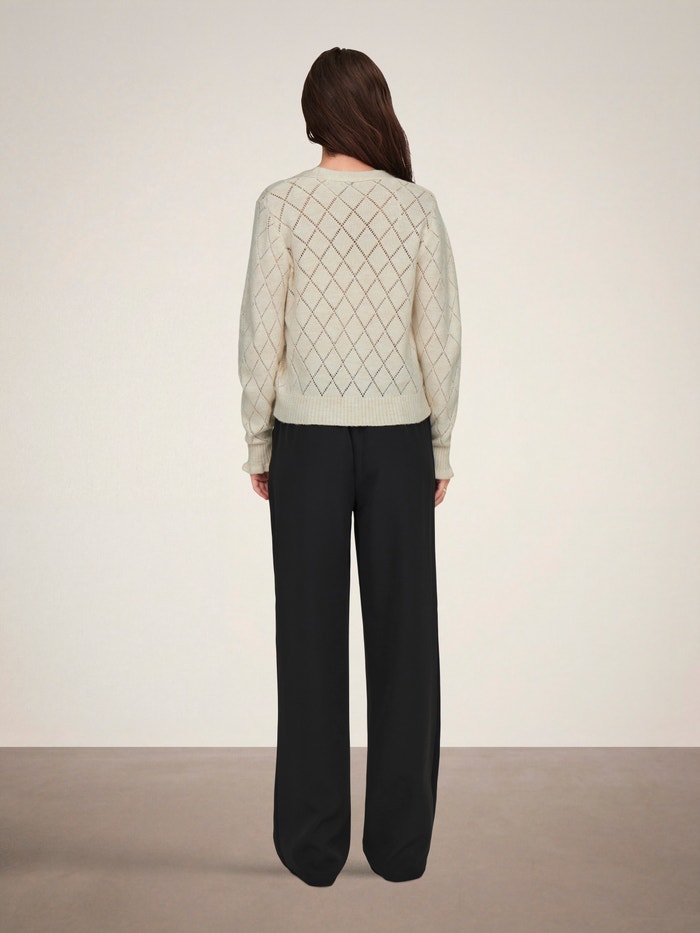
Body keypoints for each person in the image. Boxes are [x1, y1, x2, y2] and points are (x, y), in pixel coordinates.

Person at [237, 47, 462, 887]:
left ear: (313, 116)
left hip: (307, 441)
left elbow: (260, 333)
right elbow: (439, 337)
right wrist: (440, 444)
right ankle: (400, 849)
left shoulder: (281, 204)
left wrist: (259, 441)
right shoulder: (415, 207)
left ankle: (312, 846)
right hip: (400, 439)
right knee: (407, 641)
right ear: (376, 108)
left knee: (308, 636)